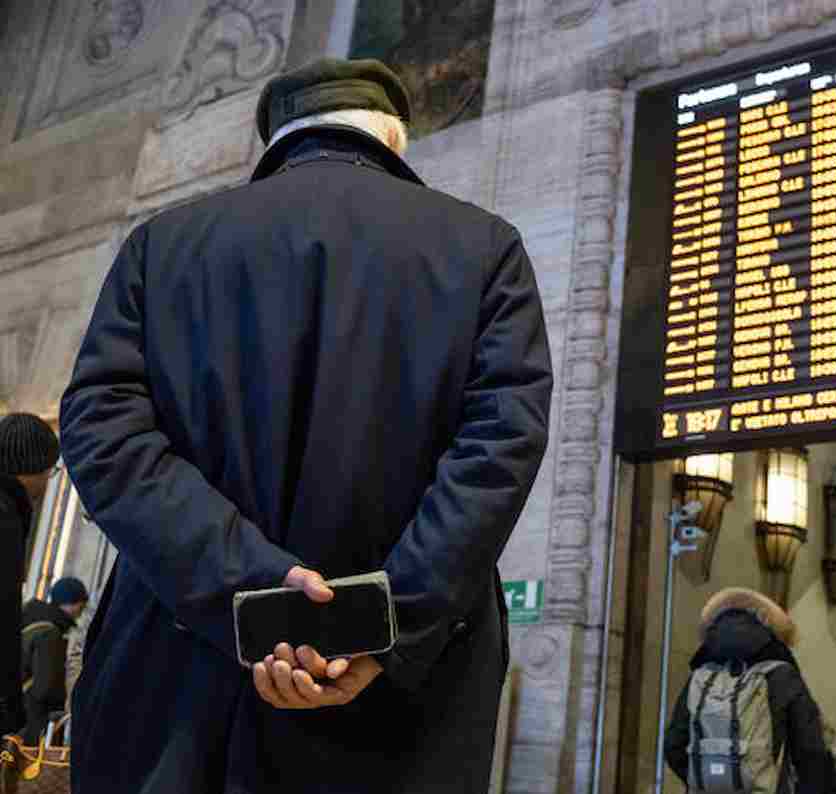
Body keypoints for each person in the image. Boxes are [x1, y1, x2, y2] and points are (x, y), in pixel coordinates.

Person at [58, 57, 553, 793]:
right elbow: (500, 446)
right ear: (394, 136)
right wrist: (378, 623)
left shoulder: (160, 248)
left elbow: (102, 431)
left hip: (176, 679)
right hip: (401, 708)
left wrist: (248, 590)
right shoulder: (486, 249)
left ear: (276, 141)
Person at [664, 588, 830, 793]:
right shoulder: (781, 676)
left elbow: (673, 746)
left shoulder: (700, 677)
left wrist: (709, 780)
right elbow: (812, 754)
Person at [0, 413, 60, 736]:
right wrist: (9, 712)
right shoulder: (6, 518)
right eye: (49, 470)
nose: (48, 480)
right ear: (30, 468)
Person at [20, 577, 88, 744]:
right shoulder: (50, 632)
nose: (82, 610)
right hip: (30, 718)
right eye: (81, 603)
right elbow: (46, 686)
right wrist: (57, 712)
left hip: (15, 708)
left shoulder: (30, 619)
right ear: (71, 603)